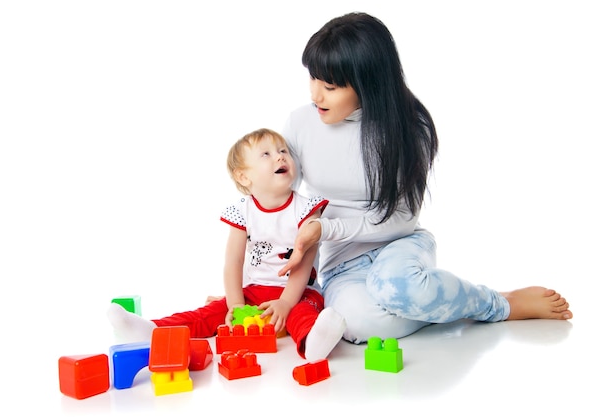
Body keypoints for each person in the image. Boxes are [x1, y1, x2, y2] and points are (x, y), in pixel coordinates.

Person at [277, 12, 573, 345]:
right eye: (313, 79)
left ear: (367, 84)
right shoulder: (300, 124)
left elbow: (402, 219)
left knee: (399, 286)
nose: (316, 95)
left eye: (329, 86)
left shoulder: (407, 126)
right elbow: (275, 204)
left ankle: (497, 303)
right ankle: (438, 304)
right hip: (343, 267)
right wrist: (249, 288)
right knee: (358, 325)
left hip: (399, 246)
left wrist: (327, 228)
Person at [107, 128, 347, 360]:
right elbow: (234, 261)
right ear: (244, 176)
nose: (280, 156)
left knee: (303, 313)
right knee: (210, 313)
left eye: (283, 151)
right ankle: (153, 330)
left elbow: (304, 260)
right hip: (253, 291)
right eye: (267, 154)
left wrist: (285, 302)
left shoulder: (306, 209)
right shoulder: (243, 211)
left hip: (298, 291)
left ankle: (314, 343)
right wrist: (235, 304)